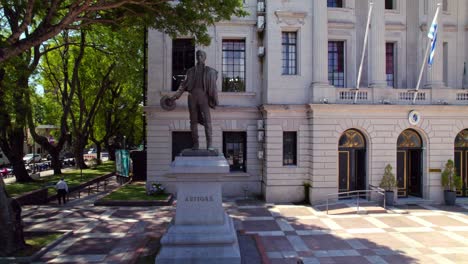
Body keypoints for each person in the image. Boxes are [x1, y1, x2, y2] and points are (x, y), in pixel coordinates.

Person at [170, 50, 218, 150]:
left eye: (201, 55)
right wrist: (176, 96)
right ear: (196, 57)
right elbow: (183, 85)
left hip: (203, 97)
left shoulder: (210, 71)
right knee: (193, 122)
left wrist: (213, 98)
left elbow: (214, 81)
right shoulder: (190, 71)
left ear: (205, 57)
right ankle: (196, 144)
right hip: (192, 97)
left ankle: (209, 145)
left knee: (207, 121)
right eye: (198, 55)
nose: (199, 57)